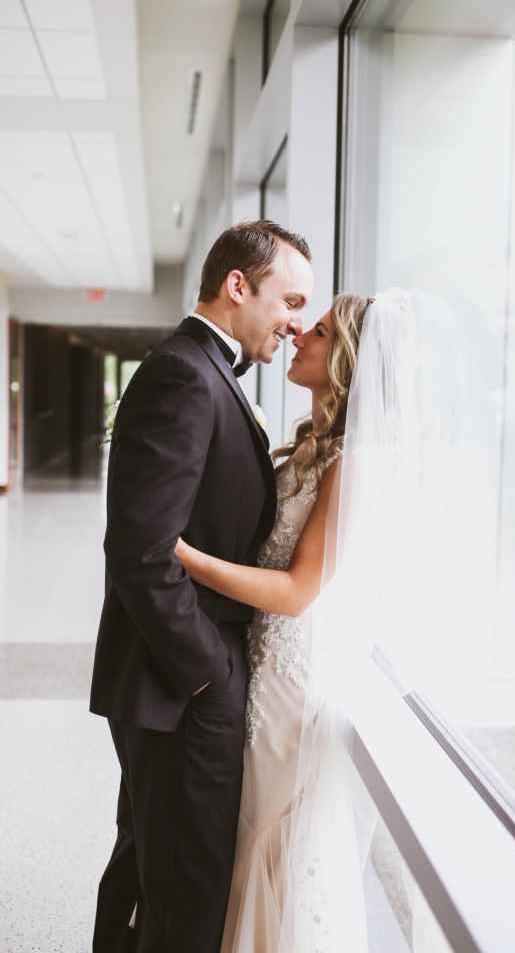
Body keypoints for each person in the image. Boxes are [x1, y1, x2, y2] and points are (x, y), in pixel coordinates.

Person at [90, 219, 314, 953]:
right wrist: (207, 676)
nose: (296, 322)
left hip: (180, 687)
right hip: (179, 688)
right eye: (290, 299)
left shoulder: (203, 370)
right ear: (237, 285)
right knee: (185, 885)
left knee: (155, 867)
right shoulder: (187, 372)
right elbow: (141, 549)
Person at [175, 293, 376, 952]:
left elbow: (296, 592)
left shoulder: (350, 465)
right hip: (262, 659)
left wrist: (182, 556)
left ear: (344, 360)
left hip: (293, 674)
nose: (298, 336)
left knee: (270, 830)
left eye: (316, 332)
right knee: (248, 830)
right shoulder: (310, 445)